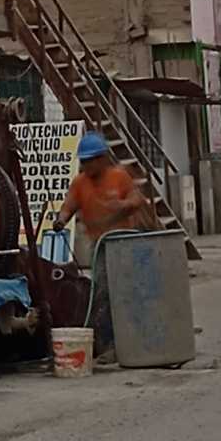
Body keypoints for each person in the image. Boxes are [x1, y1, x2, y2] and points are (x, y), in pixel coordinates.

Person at [52, 132, 153, 365]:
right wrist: (61, 220)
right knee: (101, 294)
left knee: (125, 293)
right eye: (84, 161)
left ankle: (134, 341)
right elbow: (69, 206)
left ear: (102, 158)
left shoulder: (119, 177)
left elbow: (137, 200)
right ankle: (108, 345)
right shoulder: (80, 183)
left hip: (123, 243)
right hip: (99, 246)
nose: (86, 165)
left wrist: (122, 205)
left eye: (90, 160)